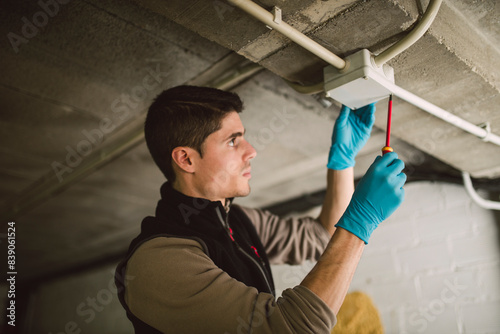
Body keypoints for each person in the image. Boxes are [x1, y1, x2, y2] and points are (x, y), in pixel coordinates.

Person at [115, 85, 406, 333]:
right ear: (186, 160)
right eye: (233, 141)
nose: (251, 150)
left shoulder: (237, 219)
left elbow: (319, 237)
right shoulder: (158, 261)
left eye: (243, 135)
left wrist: (343, 161)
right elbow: (289, 328)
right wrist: (362, 220)